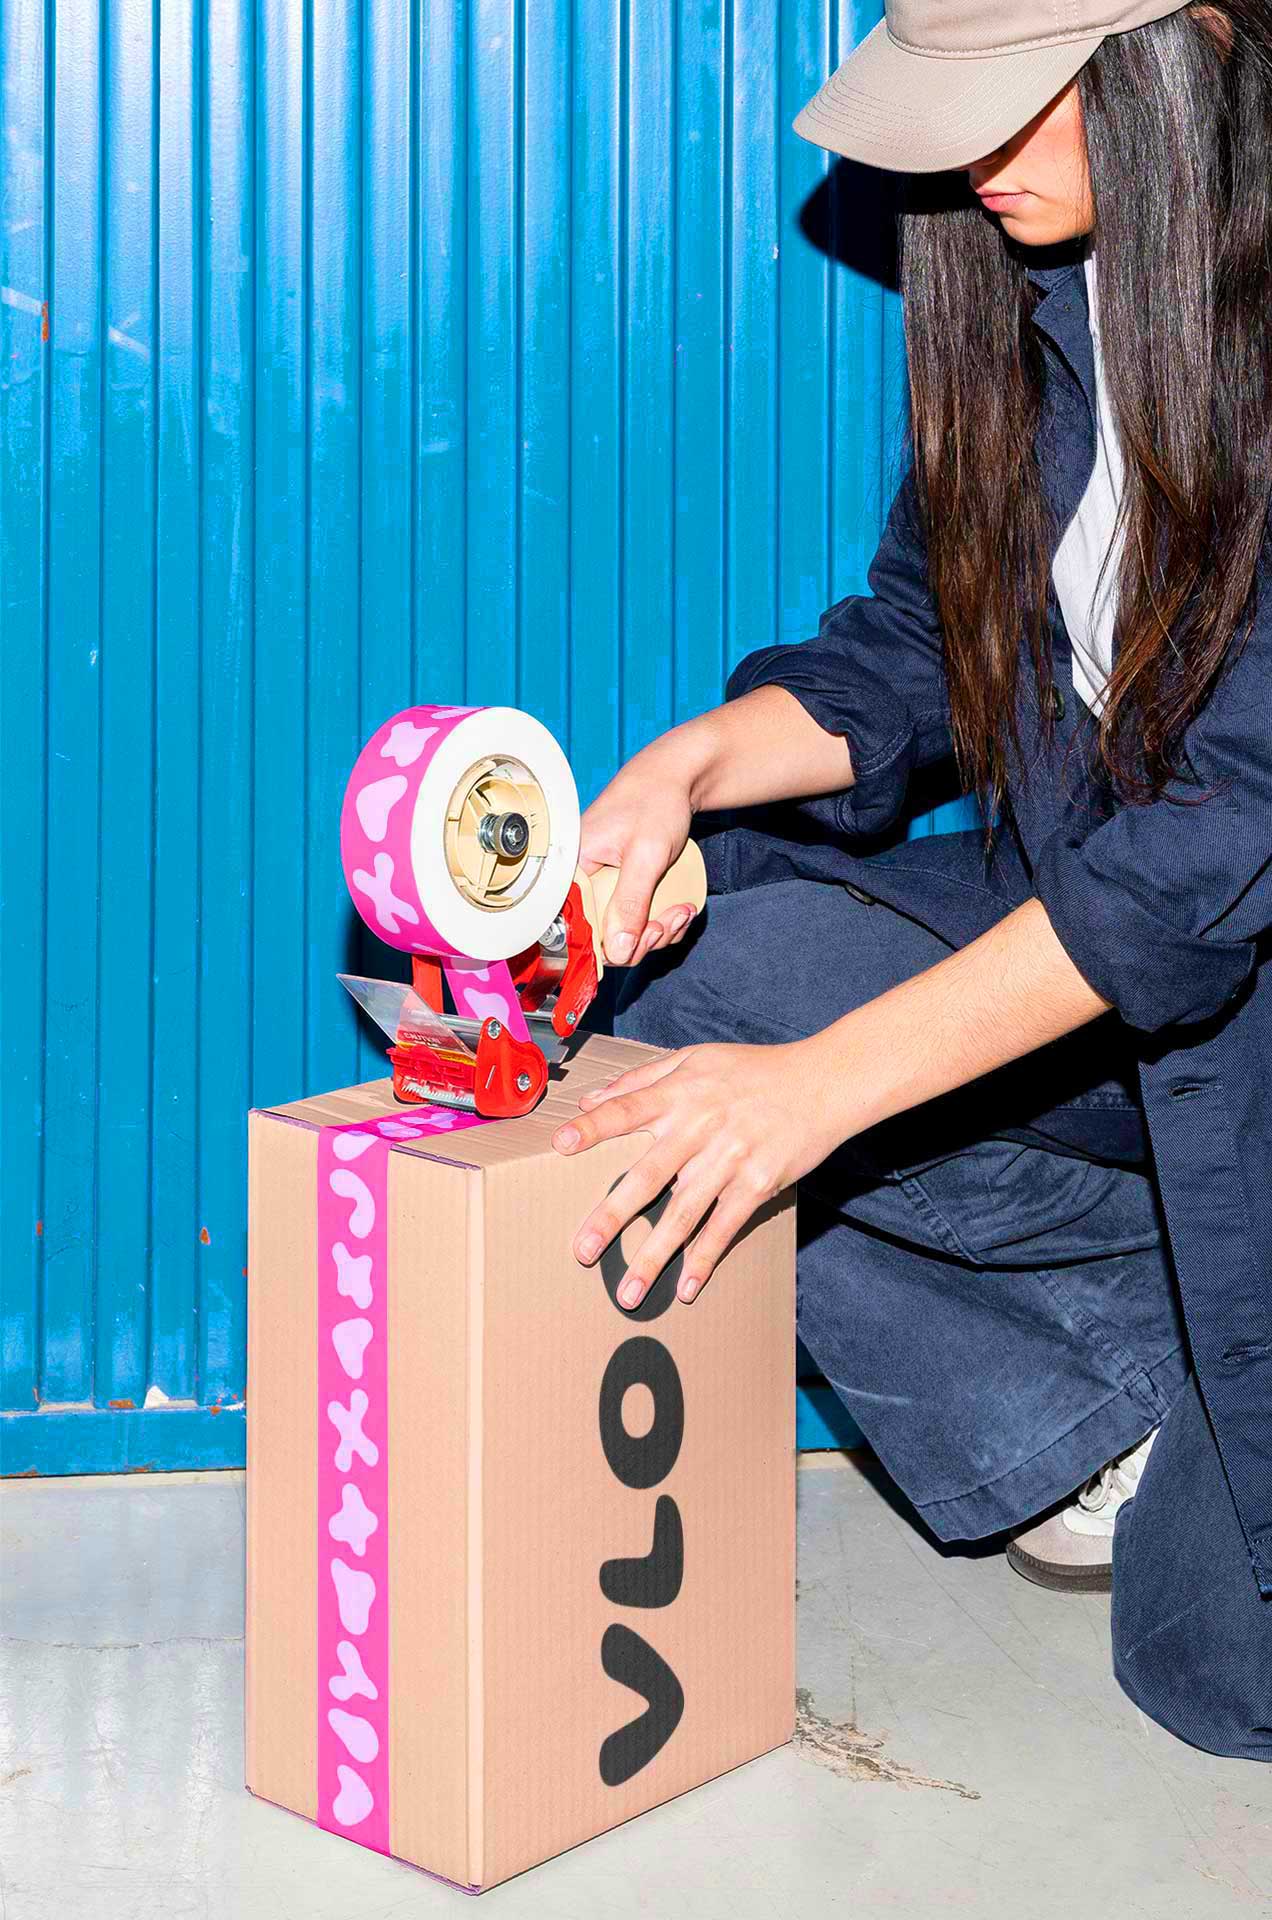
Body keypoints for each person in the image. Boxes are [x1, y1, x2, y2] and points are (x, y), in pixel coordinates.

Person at [549, 0, 1272, 1760]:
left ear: (1181, 53)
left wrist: (815, 1096)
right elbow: (917, 646)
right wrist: (684, 771)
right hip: (1135, 1014)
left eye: (1025, 99)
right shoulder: (1036, 305)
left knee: (1210, 1668)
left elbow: (1205, 856)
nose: (974, 155)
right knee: (692, 980)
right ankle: (1128, 1376)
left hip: (1233, 1025)